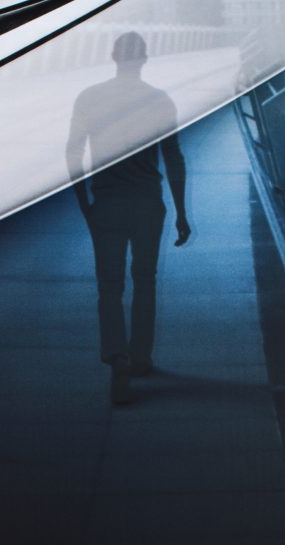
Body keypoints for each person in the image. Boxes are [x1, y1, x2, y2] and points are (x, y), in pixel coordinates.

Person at [66, 31, 193, 404]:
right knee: (145, 280)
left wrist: (84, 202)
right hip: (147, 204)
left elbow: (73, 154)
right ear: (144, 59)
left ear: (113, 56)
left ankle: (116, 355)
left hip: (106, 203)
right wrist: (183, 212)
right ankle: (141, 358)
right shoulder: (159, 99)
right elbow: (173, 158)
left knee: (109, 286)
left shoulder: (89, 97)